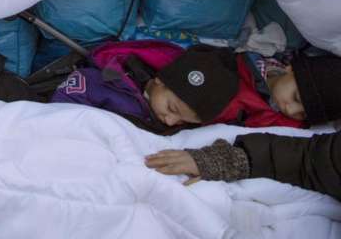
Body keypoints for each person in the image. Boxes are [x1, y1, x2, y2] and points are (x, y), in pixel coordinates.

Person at [144, 55, 341, 200]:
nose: (290, 108)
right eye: (296, 97)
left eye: (302, 113)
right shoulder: (239, 70)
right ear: (291, 69)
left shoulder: (292, 128)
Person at [51, 42, 306, 132]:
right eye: (172, 108)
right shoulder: (106, 82)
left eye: (182, 121)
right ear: (161, 80)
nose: (171, 121)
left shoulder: (169, 120)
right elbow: (60, 107)